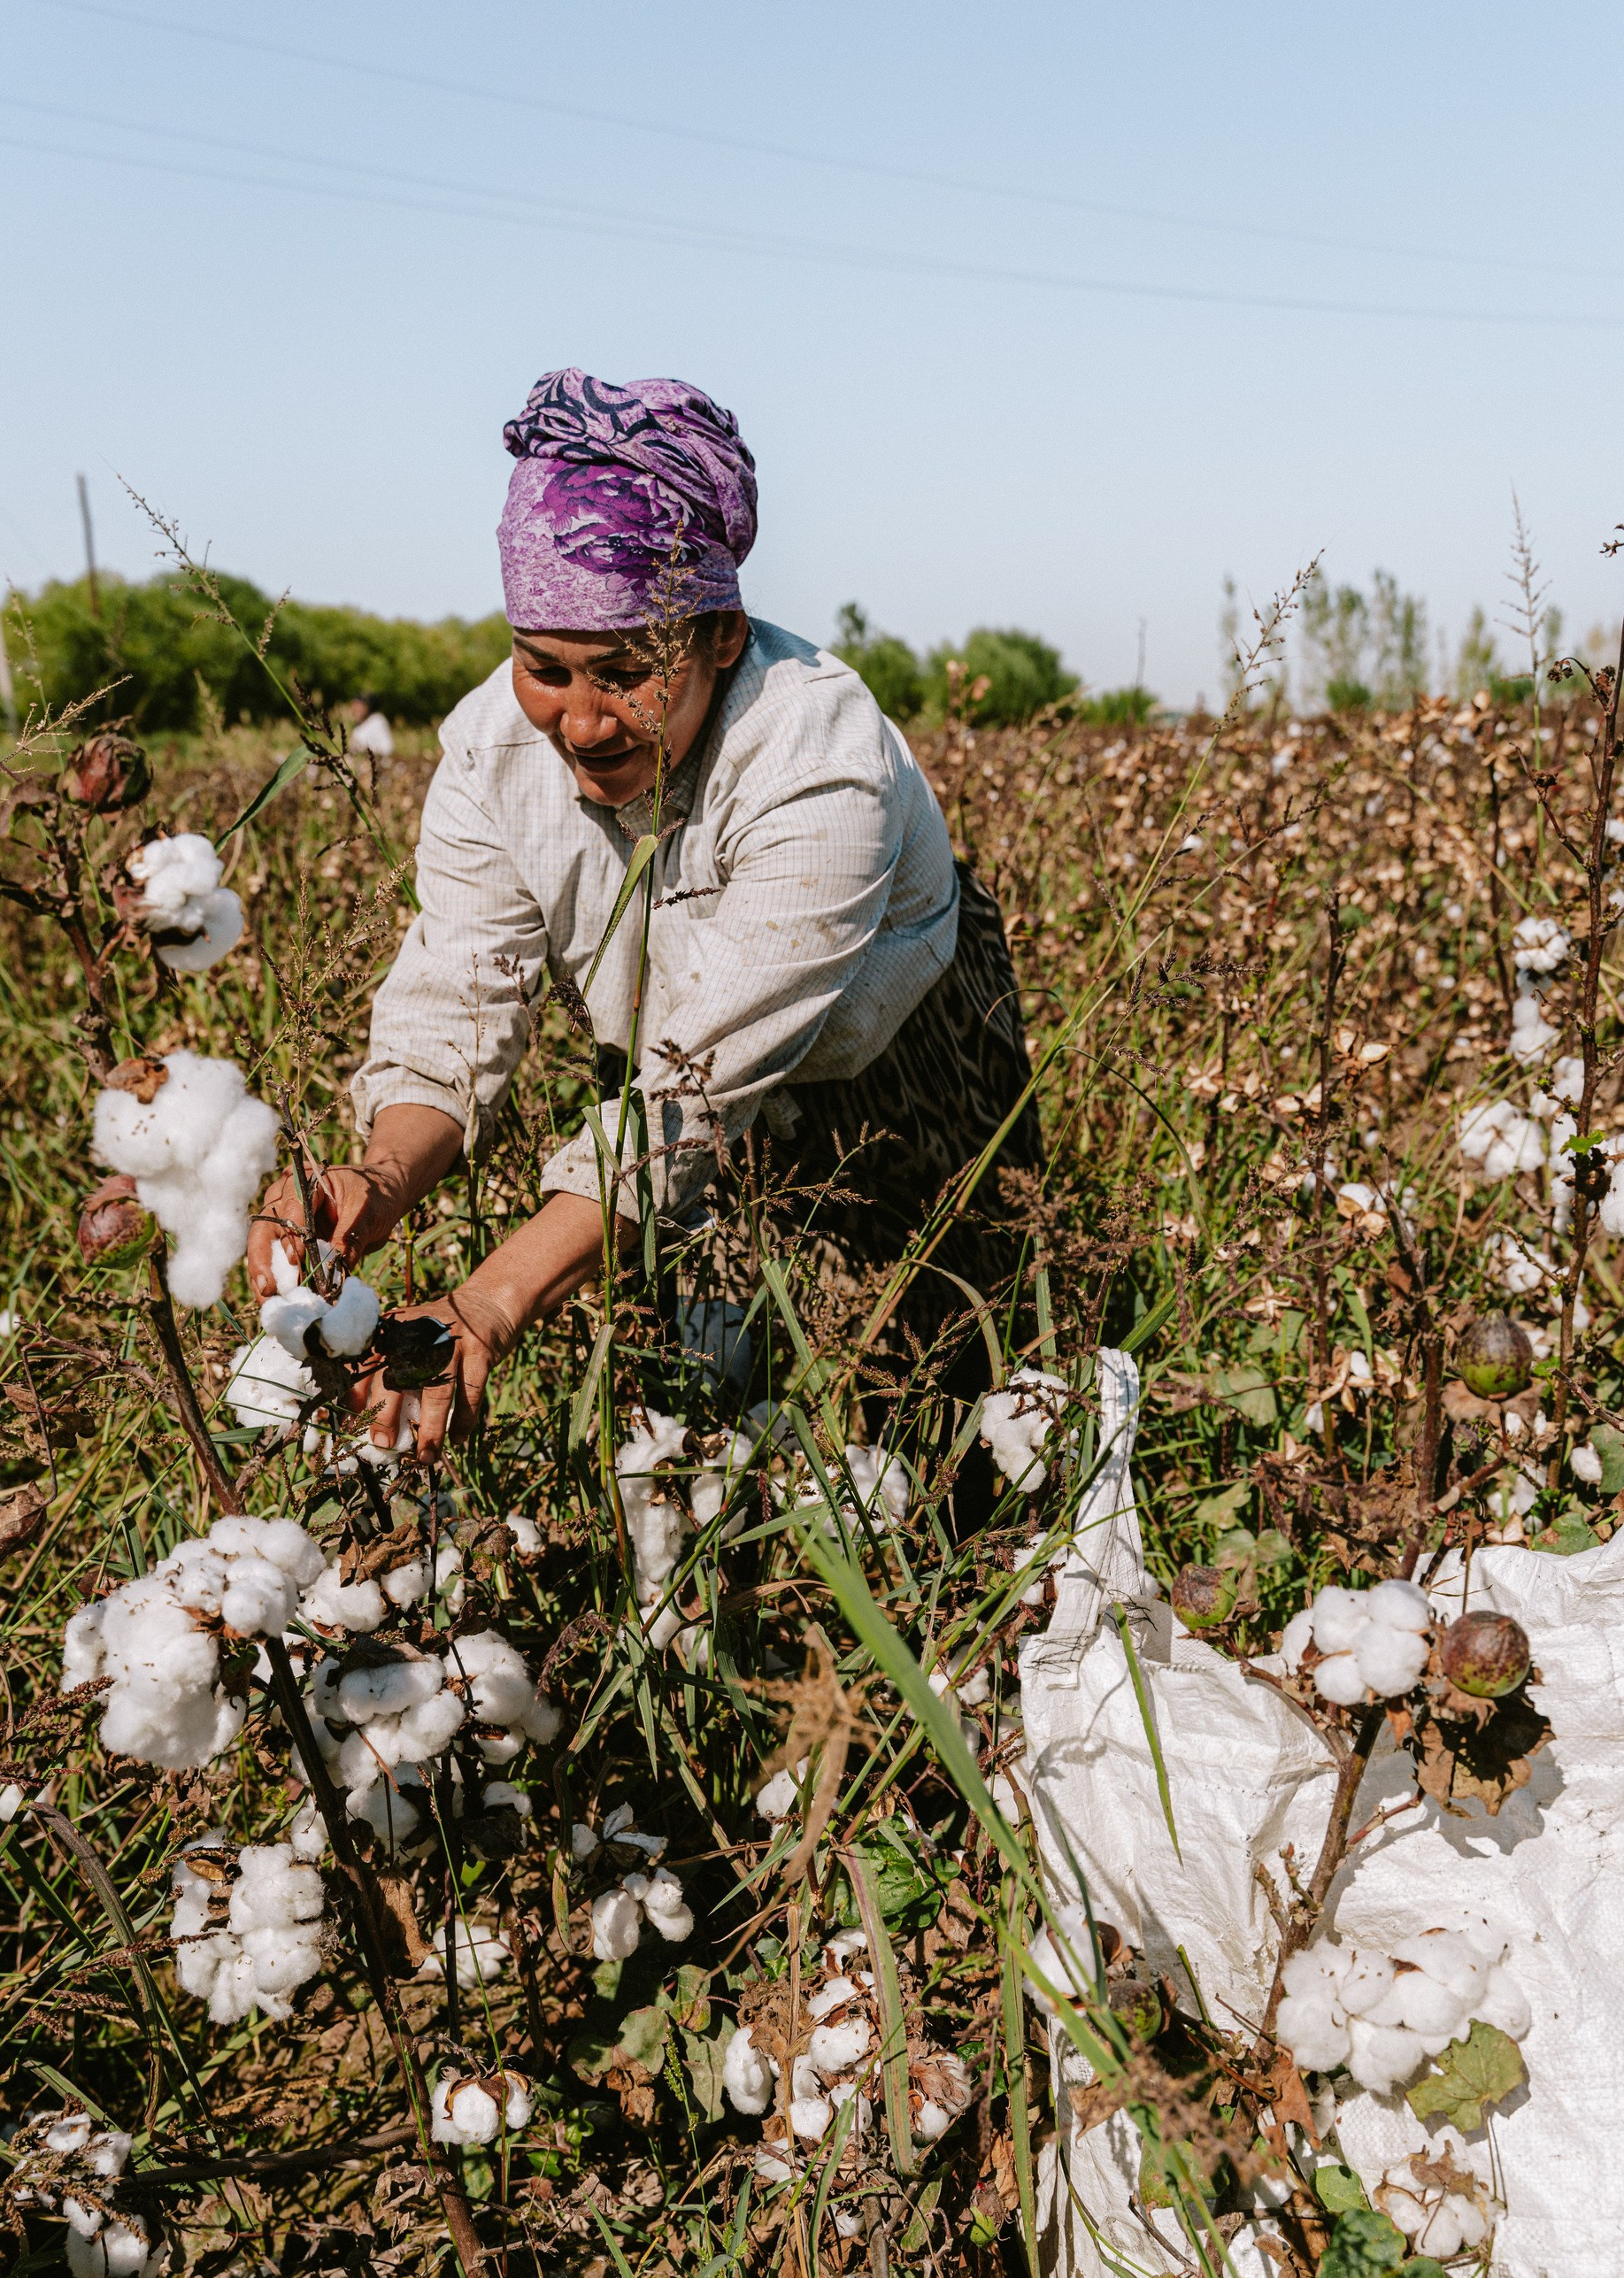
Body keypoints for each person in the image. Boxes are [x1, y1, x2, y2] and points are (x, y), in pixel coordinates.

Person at [248, 367, 1039, 1462]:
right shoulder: (490, 750)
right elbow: (459, 998)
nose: (579, 722)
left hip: (890, 1062)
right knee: (707, 1430)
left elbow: (700, 1089)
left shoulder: (816, 753)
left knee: (943, 1414)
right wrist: (377, 1179)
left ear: (721, 636)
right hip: (655, 1092)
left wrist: (487, 1303)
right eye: (545, 668)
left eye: (626, 673)